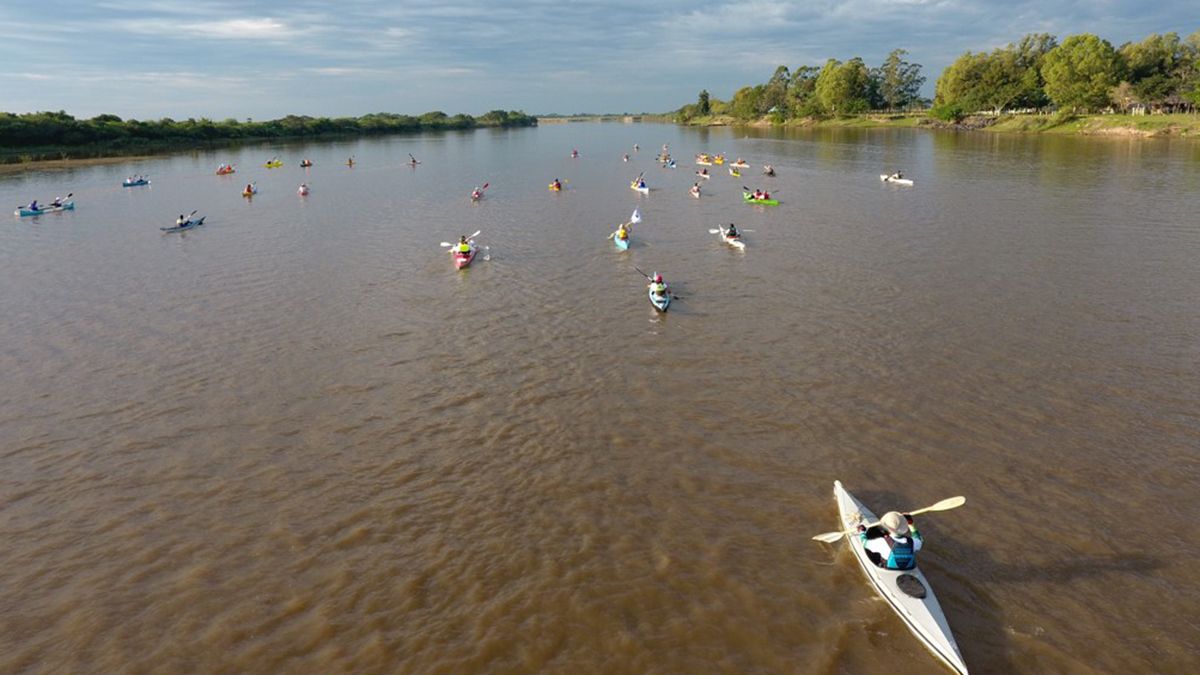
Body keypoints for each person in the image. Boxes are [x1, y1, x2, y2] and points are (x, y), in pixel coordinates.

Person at [858, 512, 922, 570]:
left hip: (888, 568)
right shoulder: (913, 542)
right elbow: (919, 538)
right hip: (908, 568)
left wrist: (861, 532)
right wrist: (911, 524)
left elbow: (864, 543)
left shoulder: (881, 542)